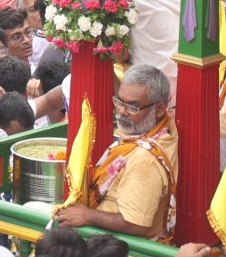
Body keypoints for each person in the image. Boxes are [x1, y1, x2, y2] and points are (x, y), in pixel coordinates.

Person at [51, 65, 175, 240]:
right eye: (119, 101)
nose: (122, 112)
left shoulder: (144, 159)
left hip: (123, 248)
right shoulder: (161, 127)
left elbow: (136, 224)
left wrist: (88, 215)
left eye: (133, 107)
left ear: (160, 109)